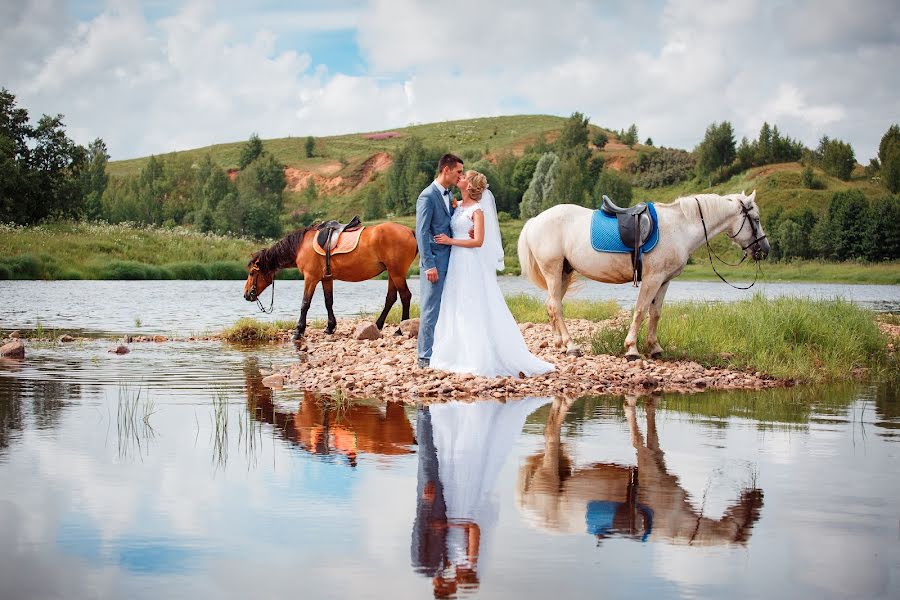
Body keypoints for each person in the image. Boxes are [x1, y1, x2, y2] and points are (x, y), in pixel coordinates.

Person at [429, 170, 555, 378]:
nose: (459, 177)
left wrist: (450, 241)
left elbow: (478, 241)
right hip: (456, 262)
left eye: (464, 176)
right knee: (455, 301)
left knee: (472, 302)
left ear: (469, 185)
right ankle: (453, 353)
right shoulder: (457, 206)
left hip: (469, 261)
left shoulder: (478, 211)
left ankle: (477, 356)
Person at [416, 154, 464, 369]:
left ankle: (445, 351)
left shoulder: (449, 194)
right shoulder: (427, 196)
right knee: (430, 308)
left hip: (451, 260)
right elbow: (422, 232)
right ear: (446, 170)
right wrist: (429, 265)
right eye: (458, 172)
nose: (460, 175)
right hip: (434, 262)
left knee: (450, 306)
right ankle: (424, 358)